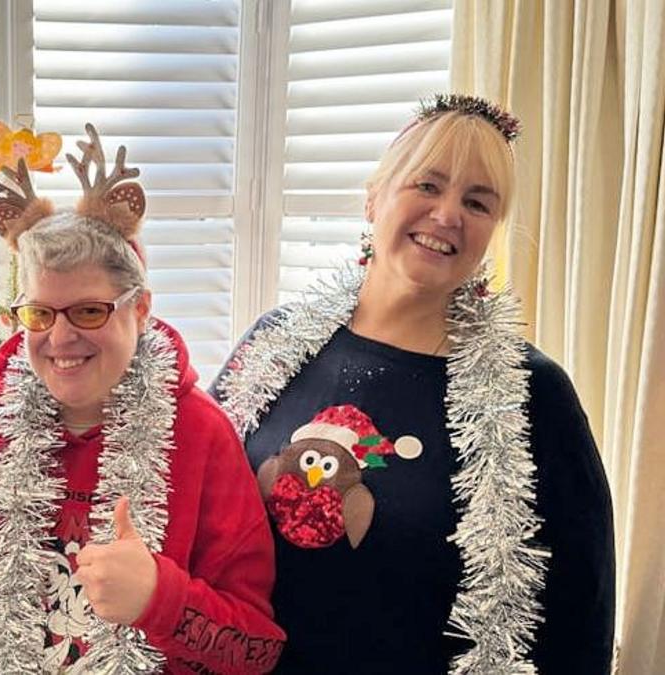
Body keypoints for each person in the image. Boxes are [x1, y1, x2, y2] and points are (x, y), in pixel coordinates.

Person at [212, 94, 615, 673]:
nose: (448, 215)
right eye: (427, 185)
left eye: (477, 202)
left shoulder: (533, 395)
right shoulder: (273, 345)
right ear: (373, 198)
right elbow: (192, 498)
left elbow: (581, 614)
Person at [0, 124, 286, 673]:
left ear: (140, 309)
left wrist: (159, 599)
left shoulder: (202, 435)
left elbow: (256, 651)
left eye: (88, 311)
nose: (60, 339)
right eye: (39, 313)